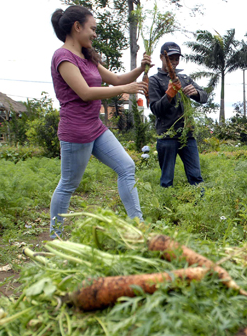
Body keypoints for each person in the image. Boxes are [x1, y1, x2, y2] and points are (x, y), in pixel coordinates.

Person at [49, 6, 151, 238]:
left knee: (127, 167)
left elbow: (116, 78)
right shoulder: (62, 57)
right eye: (92, 29)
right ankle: (56, 239)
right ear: (77, 27)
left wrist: (141, 68)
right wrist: (124, 89)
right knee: (68, 185)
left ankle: (138, 227)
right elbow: (85, 92)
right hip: (76, 131)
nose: (95, 34)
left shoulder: (87, 58)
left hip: (95, 128)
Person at [149, 42, 209, 188]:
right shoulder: (155, 80)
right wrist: (169, 94)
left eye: (176, 59)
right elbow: (155, 109)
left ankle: (200, 205)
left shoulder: (185, 79)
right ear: (162, 58)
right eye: (170, 59)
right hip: (167, 135)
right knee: (167, 179)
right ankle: (165, 207)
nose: (174, 62)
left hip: (187, 135)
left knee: (196, 176)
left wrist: (195, 93)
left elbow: (205, 96)